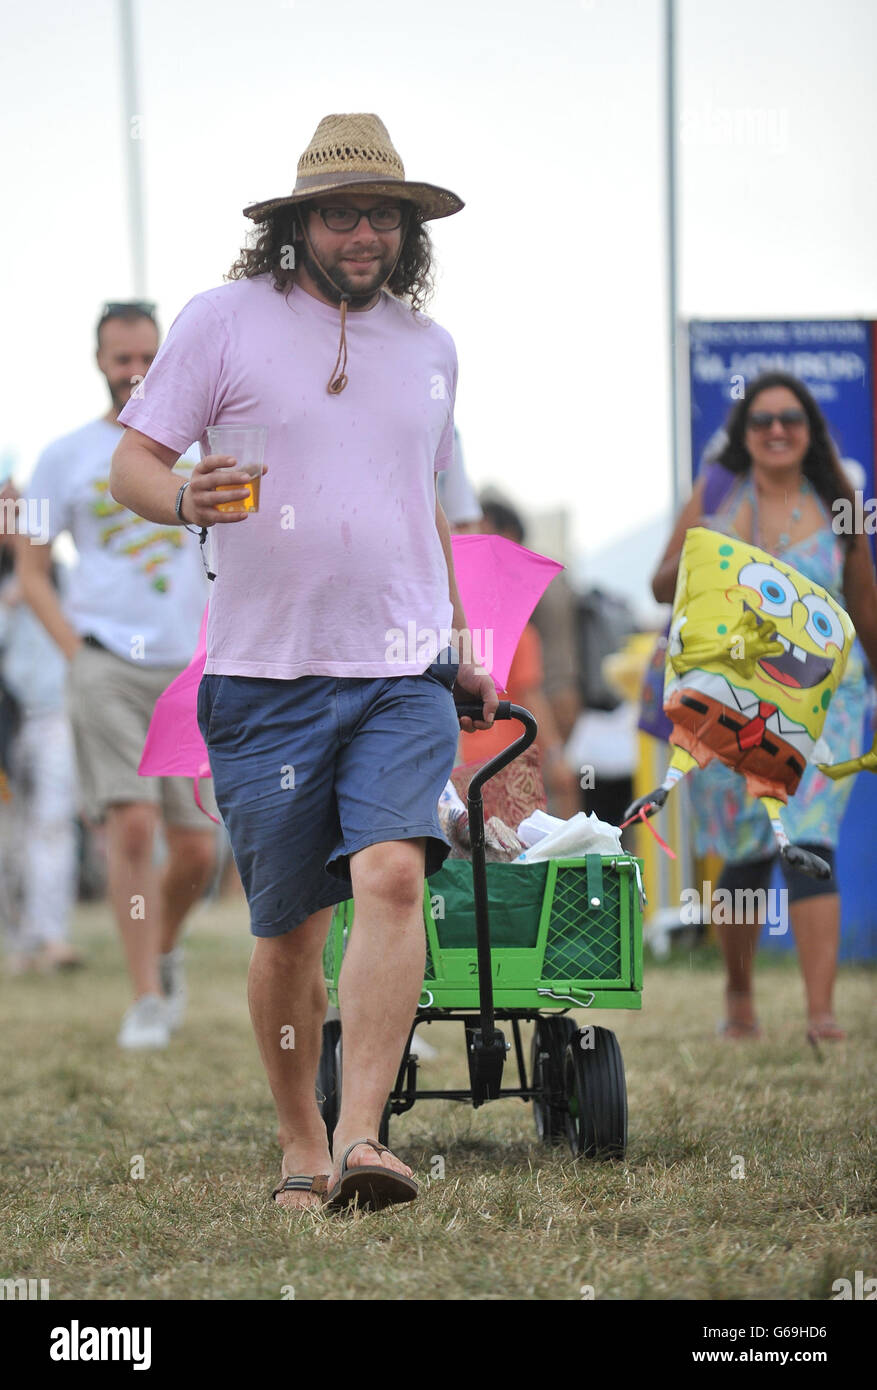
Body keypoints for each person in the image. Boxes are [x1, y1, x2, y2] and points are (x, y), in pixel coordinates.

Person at [109, 112, 497, 1213]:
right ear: (298, 224)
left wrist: (462, 641)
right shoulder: (222, 321)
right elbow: (133, 464)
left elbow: (419, 502)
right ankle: (300, 1142)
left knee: (391, 872)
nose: (363, 231)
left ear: (408, 229)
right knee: (287, 930)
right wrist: (185, 495)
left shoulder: (432, 350)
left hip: (399, 670)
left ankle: (364, 1138)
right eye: (341, 212)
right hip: (265, 676)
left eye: (383, 213)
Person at [651, 372, 877, 1043]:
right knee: (745, 849)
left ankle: (820, 1016)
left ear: (809, 431)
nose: (775, 430)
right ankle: (738, 992)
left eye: (790, 419)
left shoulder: (839, 501)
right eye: (760, 420)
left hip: (825, 702)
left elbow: (862, 602)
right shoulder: (716, 495)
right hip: (732, 697)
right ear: (743, 433)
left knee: (807, 835)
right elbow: (661, 584)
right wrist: (711, 548)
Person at [18, 302, 217, 1047]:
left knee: (196, 848)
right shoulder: (63, 455)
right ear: (99, 361)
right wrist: (77, 653)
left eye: (145, 358)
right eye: (119, 359)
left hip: (190, 669)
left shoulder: (201, 447)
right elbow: (32, 568)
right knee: (129, 824)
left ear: (163, 359)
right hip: (105, 663)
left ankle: (164, 950)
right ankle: (142, 1000)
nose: (133, 372)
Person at [460, 497, 581, 818]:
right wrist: (556, 756)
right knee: (512, 859)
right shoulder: (518, 631)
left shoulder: (450, 631)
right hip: (510, 764)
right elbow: (531, 696)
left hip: (461, 766)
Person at [0, 484, 80, 973]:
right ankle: (18, 941)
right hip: (6, 727)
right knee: (10, 834)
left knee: (52, 825)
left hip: (55, 715)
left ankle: (50, 935)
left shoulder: (65, 577)